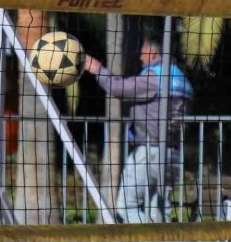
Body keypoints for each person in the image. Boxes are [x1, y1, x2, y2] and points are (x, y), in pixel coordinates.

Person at [83, 37, 193, 222]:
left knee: (127, 207)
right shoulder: (183, 80)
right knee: (158, 212)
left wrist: (97, 70)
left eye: (142, 52)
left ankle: (149, 239)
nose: (141, 58)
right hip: (173, 154)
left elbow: (118, 88)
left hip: (150, 152)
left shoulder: (154, 78)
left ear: (152, 52)